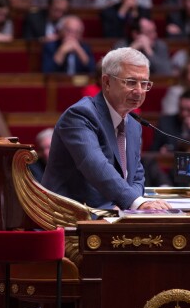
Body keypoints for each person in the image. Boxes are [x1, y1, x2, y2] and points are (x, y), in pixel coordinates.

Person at [42, 47, 171, 211]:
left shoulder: (133, 125)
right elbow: (94, 165)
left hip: (112, 216)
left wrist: (131, 205)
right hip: (70, 219)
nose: (139, 91)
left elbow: (137, 177)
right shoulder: (80, 116)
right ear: (107, 82)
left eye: (144, 83)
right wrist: (135, 202)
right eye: (131, 82)